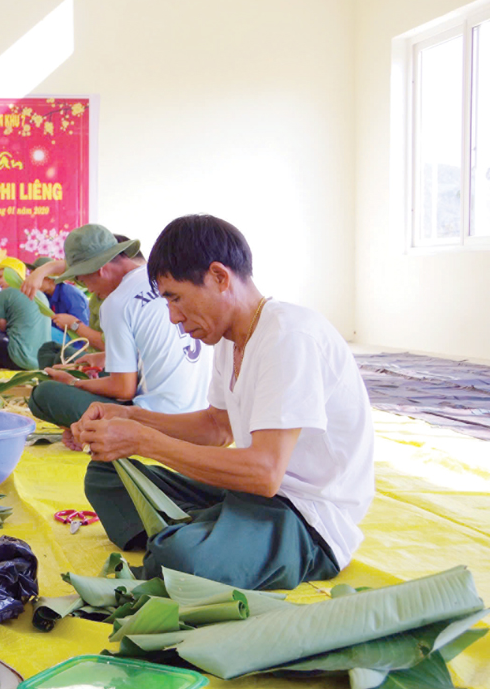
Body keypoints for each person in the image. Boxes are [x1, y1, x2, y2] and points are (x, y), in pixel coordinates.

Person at [71, 214, 374, 590]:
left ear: (219, 277)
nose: (173, 317)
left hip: (306, 519)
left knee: (179, 562)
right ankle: (214, 532)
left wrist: (142, 441)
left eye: (176, 298)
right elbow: (215, 428)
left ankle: (202, 538)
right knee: (107, 475)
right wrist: (130, 417)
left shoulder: (290, 336)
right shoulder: (230, 337)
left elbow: (264, 473)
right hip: (249, 494)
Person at [25, 225, 211, 430]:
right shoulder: (162, 278)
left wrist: (71, 383)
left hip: (159, 420)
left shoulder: (117, 302)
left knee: (43, 394)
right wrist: (104, 357)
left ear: (100, 270)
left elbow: (123, 389)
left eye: (84, 282)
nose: (91, 290)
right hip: (202, 414)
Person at [30, 255, 96, 348]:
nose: (32, 282)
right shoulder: (45, 296)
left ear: (48, 279)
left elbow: (83, 328)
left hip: (77, 344)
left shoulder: (70, 294)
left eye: (35, 278)